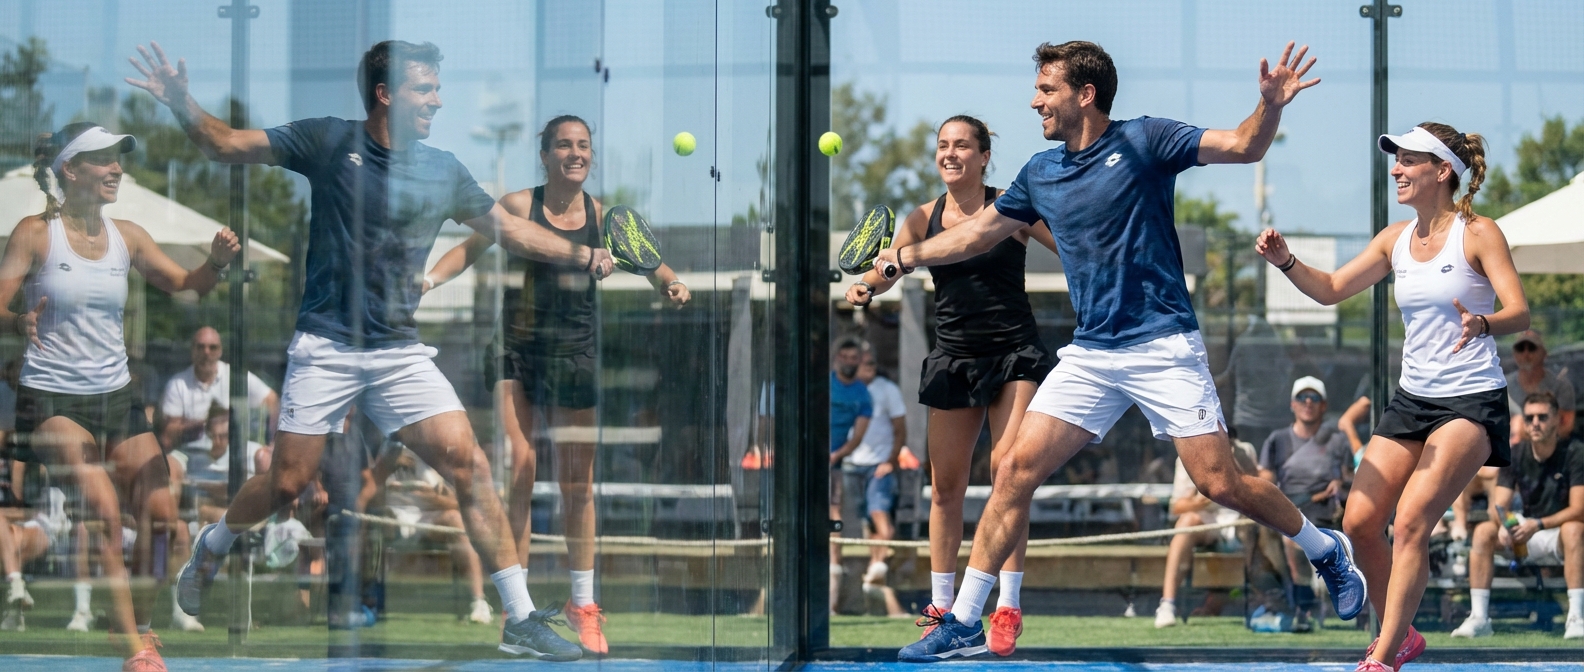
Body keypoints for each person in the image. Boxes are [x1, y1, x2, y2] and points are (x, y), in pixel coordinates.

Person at [128, 39, 612, 662]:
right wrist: (179, 101)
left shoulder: (444, 169)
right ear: (387, 95)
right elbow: (222, 145)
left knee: (469, 465)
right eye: (425, 89)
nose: (438, 99)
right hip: (327, 344)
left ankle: (518, 617)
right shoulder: (328, 141)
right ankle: (214, 545)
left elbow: (512, 230)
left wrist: (583, 254)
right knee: (287, 482)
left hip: (398, 352)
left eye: (438, 87)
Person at [884, 40, 1365, 663]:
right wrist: (907, 255)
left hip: (1164, 343)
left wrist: (1268, 105)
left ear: (1085, 94)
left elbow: (1245, 145)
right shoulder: (1040, 172)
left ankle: (1325, 549)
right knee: (1013, 470)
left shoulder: (1145, 140)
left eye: (1046, 89)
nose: (1035, 101)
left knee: (1221, 483)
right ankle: (967, 619)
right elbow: (977, 232)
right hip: (1092, 354)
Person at [1258, 121, 1528, 671]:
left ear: (1442, 171)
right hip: (1413, 400)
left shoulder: (1479, 233)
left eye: (1408, 160)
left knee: (1409, 524)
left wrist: (1483, 323)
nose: (1396, 169)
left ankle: (1381, 659)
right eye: (1396, 159)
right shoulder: (1393, 238)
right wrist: (1286, 261)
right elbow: (1331, 290)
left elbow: (1520, 311)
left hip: (1470, 401)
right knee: (1358, 524)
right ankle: (1398, 635)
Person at [423, 114, 689, 655]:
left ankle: (582, 604)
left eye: (583, 145)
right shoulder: (518, 206)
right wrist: (427, 280)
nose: (575, 153)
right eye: (564, 145)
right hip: (517, 351)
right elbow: (466, 251)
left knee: (576, 484)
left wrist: (673, 284)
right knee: (520, 468)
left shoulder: (606, 217)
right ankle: (518, 614)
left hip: (575, 356)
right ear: (544, 155)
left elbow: (656, 265)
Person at [0, 121, 241, 671]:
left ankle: (136, 624)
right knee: (106, 516)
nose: (116, 168)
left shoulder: (128, 235)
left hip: (116, 396)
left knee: (162, 520)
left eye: (118, 159)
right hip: (52, 401)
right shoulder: (34, 233)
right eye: (103, 159)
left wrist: (218, 263)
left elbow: (187, 285)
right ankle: (135, 649)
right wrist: (17, 322)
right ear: (71, 170)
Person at [845, 114, 1059, 655]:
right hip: (955, 358)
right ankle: (943, 610)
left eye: (962, 145)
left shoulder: (1012, 203)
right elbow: (891, 266)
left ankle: (1006, 607)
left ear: (984, 156)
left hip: (1015, 354)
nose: (951, 153)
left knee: (1008, 476)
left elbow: (1068, 247)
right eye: (943, 145)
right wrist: (865, 287)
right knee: (945, 490)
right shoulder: (922, 217)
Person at [1452, 391, 1584, 639]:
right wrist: (1505, 523)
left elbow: (1579, 509)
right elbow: (1499, 505)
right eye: (1530, 417)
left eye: (1542, 417)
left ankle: (1577, 618)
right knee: (1484, 531)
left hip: (1560, 534)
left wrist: (1538, 524)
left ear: (1557, 419)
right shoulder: (1515, 453)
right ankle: (1479, 618)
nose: (1535, 422)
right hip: (1526, 533)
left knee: (1574, 528)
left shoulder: (1575, 452)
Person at [1258, 376, 1353, 629]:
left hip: (1327, 511)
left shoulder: (1337, 440)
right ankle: (1295, 604)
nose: (1308, 402)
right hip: (1287, 510)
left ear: (1323, 405)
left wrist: (1340, 485)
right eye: (1302, 397)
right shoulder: (1277, 439)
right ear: (1293, 404)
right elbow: (1265, 481)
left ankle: (1318, 600)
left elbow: (1349, 477)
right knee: (1281, 539)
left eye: (1314, 398)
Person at [1155, 433, 1257, 628]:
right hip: (1208, 522)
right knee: (1187, 521)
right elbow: (1176, 507)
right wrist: (1198, 501)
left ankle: (1263, 604)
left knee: (1257, 527)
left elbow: (1256, 488)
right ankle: (1167, 604)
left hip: (1240, 522)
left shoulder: (1245, 449)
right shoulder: (1187, 454)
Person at [844, 350, 909, 617]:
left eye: (871, 362)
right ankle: (875, 569)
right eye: (862, 362)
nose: (867, 366)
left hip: (879, 466)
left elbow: (900, 428)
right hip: (850, 465)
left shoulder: (887, 390)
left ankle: (877, 567)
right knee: (867, 523)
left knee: (879, 516)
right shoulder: (846, 389)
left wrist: (891, 460)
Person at [157, 326, 278, 466]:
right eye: (200, 347)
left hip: (235, 452)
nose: (206, 352)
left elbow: (272, 401)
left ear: (220, 351)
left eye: (212, 348)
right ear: (192, 350)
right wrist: (206, 424)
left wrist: (273, 441)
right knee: (171, 466)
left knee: (265, 459)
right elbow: (168, 436)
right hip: (193, 454)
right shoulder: (178, 384)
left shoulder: (235, 376)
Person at [827, 337, 872, 613]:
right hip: (808, 457)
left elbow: (858, 435)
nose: (848, 361)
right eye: (844, 355)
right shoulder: (825, 385)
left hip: (835, 464)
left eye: (853, 357)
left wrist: (835, 455)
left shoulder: (862, 395)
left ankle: (832, 593)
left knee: (835, 516)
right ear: (837, 358)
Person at [0, 488, 67, 631]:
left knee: (11, 538)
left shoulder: (31, 474)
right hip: (14, 530)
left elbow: (27, 511)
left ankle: (15, 593)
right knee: (9, 539)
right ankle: (16, 588)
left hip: (43, 526)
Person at [1506, 330, 1575, 445]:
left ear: (1544, 353)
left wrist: (1523, 430)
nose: (1526, 353)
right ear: (1514, 354)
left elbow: (1566, 426)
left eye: (1532, 348)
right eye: (1520, 348)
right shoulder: (1501, 385)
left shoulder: (1561, 386)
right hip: (1511, 453)